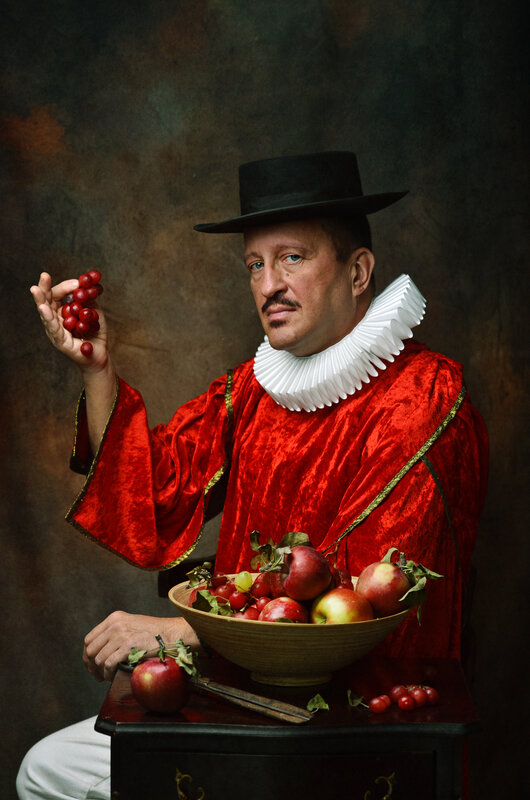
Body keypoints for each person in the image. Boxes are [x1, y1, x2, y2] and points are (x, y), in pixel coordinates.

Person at [19, 151, 488, 799]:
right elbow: (152, 492)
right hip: (238, 690)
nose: (269, 285)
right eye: (255, 265)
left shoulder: (423, 398)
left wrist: (179, 631)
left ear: (358, 272)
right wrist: (97, 371)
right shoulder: (253, 389)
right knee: (48, 770)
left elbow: (359, 605)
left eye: (291, 258)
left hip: (358, 720)